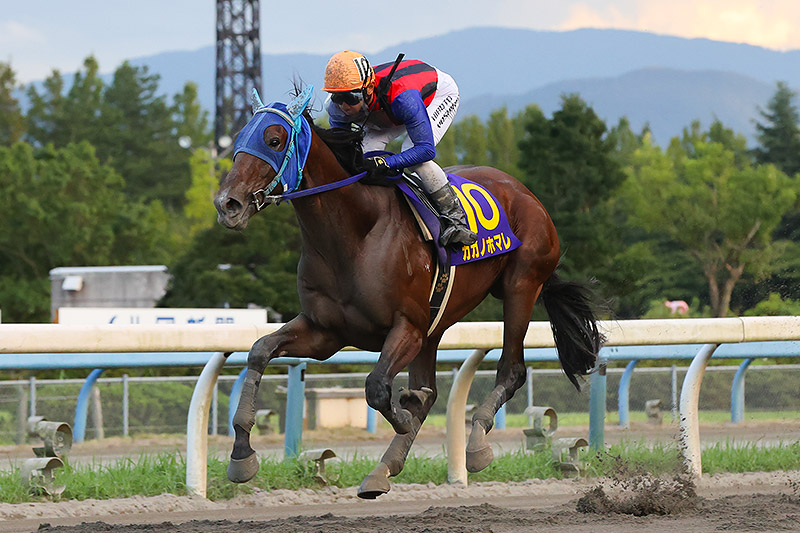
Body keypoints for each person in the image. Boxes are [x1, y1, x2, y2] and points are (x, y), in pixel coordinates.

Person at [322, 50, 478, 247]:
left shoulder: (405, 99)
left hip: (432, 97)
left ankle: (456, 220)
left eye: (351, 97)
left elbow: (426, 149)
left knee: (413, 153)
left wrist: (387, 162)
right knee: (366, 153)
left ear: (369, 88)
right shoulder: (336, 109)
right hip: (385, 107)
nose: (344, 106)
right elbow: (343, 153)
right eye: (337, 98)